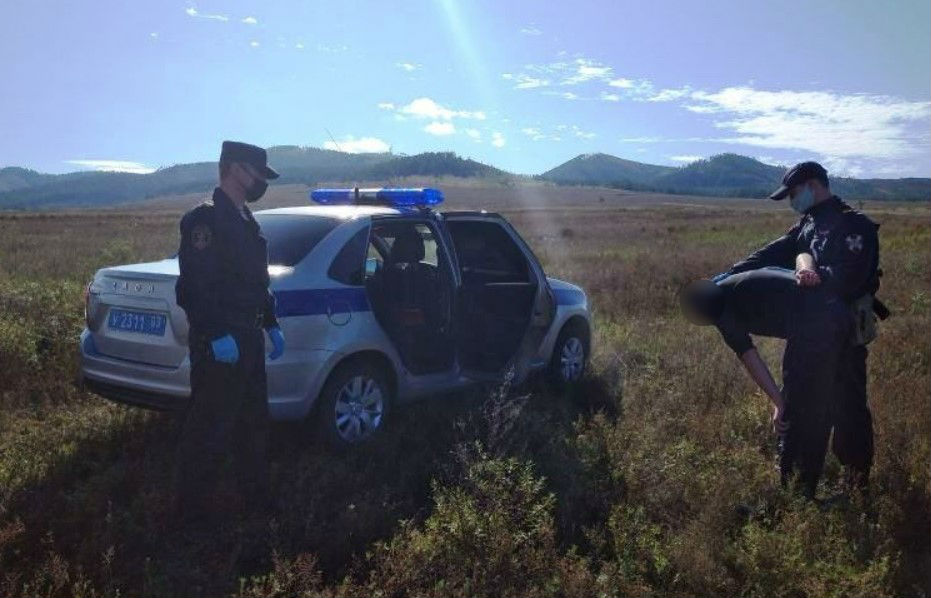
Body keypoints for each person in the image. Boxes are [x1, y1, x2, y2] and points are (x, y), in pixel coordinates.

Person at [692, 161, 881, 497]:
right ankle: (798, 491)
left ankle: (856, 487)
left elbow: (850, 280)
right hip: (807, 332)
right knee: (803, 407)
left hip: (845, 337)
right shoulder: (807, 225)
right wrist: (727, 276)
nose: (793, 200)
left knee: (848, 410)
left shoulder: (856, 227)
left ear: (813, 186)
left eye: (794, 193)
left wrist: (810, 272)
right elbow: (769, 254)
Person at [174, 140, 286, 521]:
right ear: (235, 169)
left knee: (252, 427)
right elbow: (194, 287)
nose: (260, 182)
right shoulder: (205, 221)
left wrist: (270, 322)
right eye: (257, 174)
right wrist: (215, 333)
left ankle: (256, 504)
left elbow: (257, 283)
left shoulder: (248, 221)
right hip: (221, 343)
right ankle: (190, 515)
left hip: (249, 341)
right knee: (208, 430)